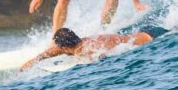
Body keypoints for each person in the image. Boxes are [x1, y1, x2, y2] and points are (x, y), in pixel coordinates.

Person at [21, 27, 158, 70]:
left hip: (148, 40)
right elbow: (46, 54)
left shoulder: (87, 50)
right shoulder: (78, 43)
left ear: (64, 46)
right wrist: (29, 64)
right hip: (144, 33)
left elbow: (104, 58)